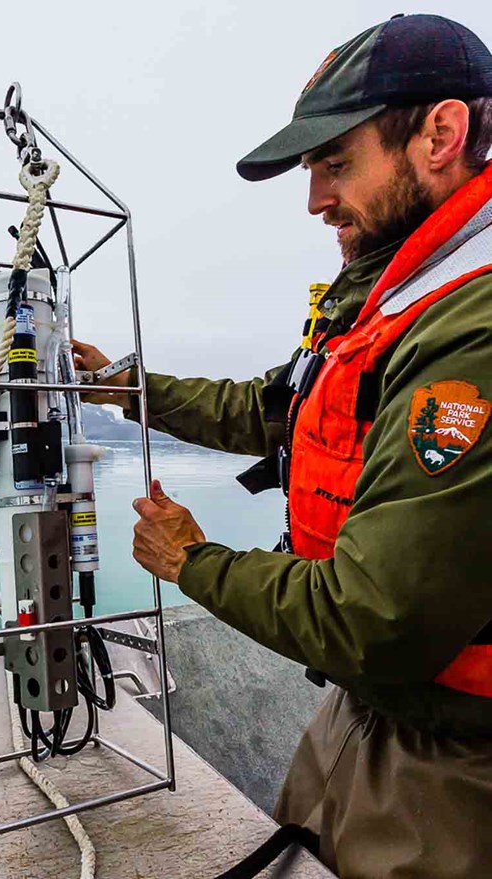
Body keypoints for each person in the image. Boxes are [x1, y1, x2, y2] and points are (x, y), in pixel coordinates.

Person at [72, 14, 492, 878]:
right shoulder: (391, 293)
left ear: (440, 134)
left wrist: (193, 560)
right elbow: (277, 406)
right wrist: (127, 388)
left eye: (337, 163)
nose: (315, 201)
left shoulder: (471, 326)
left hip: (453, 770)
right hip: (365, 717)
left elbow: (378, 619)